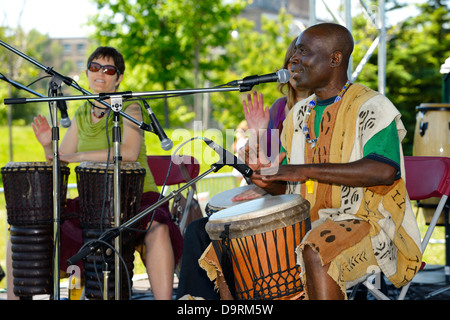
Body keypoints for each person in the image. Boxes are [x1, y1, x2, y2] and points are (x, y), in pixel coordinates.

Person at [241, 23, 423, 300]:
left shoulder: (372, 106)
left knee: (317, 248)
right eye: (295, 52)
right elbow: (289, 189)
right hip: (306, 219)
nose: (294, 59)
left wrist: (301, 170)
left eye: (303, 51)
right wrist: (264, 178)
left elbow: (384, 170)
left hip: (367, 222)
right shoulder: (298, 114)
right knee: (236, 246)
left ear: (335, 59)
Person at [7, 46, 182, 300]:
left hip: (136, 197)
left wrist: (80, 156)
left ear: (118, 78)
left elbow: (130, 152)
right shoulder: (81, 112)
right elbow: (63, 159)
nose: (100, 73)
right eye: (94, 67)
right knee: (25, 230)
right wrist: (48, 145)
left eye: (109, 69)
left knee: (157, 228)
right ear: (87, 72)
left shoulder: (131, 107)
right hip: (93, 205)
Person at [175, 37, 311, 300]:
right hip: (273, 201)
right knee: (198, 231)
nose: (295, 67)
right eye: (291, 62)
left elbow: (303, 166)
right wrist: (258, 133)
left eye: (303, 60)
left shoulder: (325, 108)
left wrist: (265, 186)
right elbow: (260, 166)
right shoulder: (279, 108)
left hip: (301, 207)